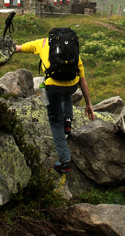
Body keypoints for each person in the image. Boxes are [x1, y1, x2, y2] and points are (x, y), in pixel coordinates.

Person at [14, 35, 94, 175]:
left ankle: (65, 161)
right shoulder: (71, 49)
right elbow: (83, 81)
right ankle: (68, 119)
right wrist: (89, 104)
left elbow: (19, 48)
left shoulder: (42, 43)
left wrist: (2, 49)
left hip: (53, 88)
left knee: (55, 122)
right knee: (65, 86)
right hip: (71, 86)